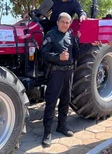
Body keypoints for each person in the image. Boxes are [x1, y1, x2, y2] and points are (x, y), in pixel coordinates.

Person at [41, 12, 80, 147]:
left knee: (65, 100)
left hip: (69, 73)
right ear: (57, 22)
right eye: (62, 21)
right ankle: (47, 132)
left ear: (69, 24)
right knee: (51, 102)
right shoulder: (50, 35)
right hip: (55, 74)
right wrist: (58, 57)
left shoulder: (71, 36)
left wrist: (81, 40)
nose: (64, 24)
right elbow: (44, 54)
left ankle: (62, 126)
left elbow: (77, 53)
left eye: (67, 22)